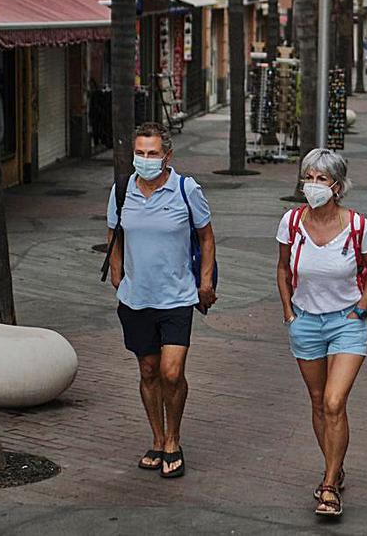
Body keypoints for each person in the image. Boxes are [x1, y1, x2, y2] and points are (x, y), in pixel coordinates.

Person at [275, 149, 367, 517]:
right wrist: (289, 310)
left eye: (322, 179)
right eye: (309, 176)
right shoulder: (291, 222)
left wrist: (362, 307)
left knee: (335, 402)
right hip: (305, 322)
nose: (313, 185)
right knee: (319, 401)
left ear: (337, 186)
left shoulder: (357, 226)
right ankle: (335, 470)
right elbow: (282, 267)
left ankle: (328, 484)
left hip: (346, 323)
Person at [105, 122, 216, 479]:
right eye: (140, 153)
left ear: (167, 156)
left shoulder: (186, 189)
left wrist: (205, 282)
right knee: (149, 371)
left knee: (172, 372)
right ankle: (156, 439)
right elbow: (114, 232)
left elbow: (207, 237)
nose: (146, 159)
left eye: (153, 153)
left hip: (177, 296)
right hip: (137, 297)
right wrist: (118, 271)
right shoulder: (122, 190)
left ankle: (174, 439)